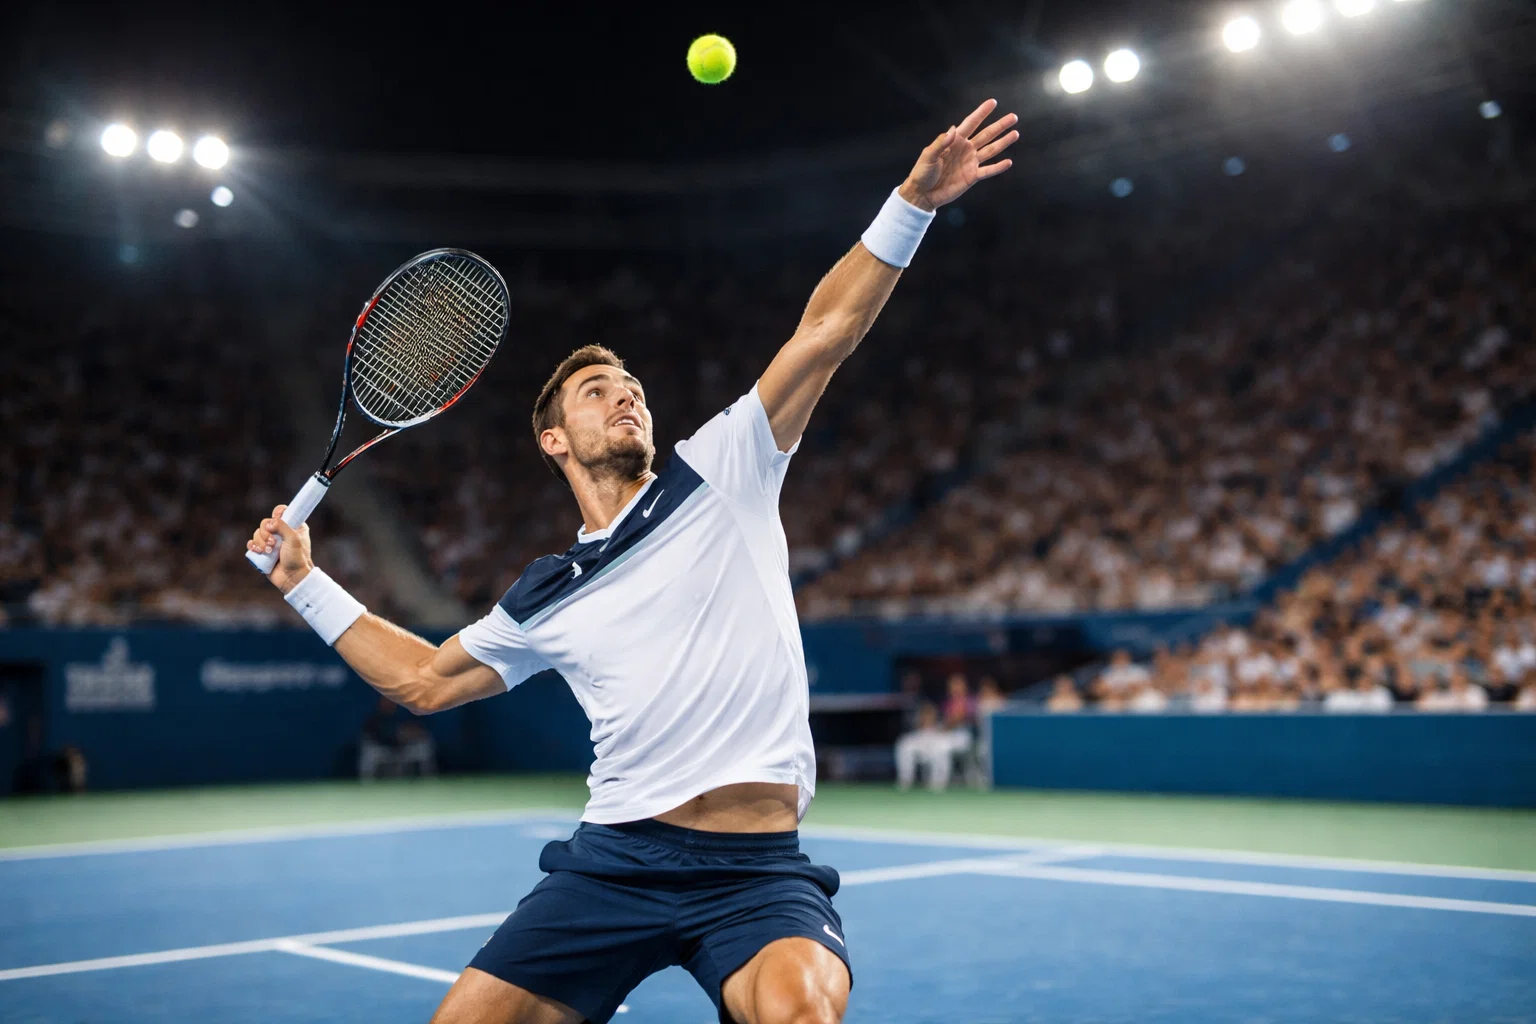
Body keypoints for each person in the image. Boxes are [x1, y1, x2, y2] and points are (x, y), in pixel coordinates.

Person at [247, 100, 1018, 1024]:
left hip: (756, 872)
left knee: (800, 1012)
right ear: (552, 440)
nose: (625, 398)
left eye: (634, 388)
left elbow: (824, 333)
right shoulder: (546, 591)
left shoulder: (721, 468)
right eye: (596, 390)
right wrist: (303, 582)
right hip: (614, 863)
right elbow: (422, 681)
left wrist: (912, 204)